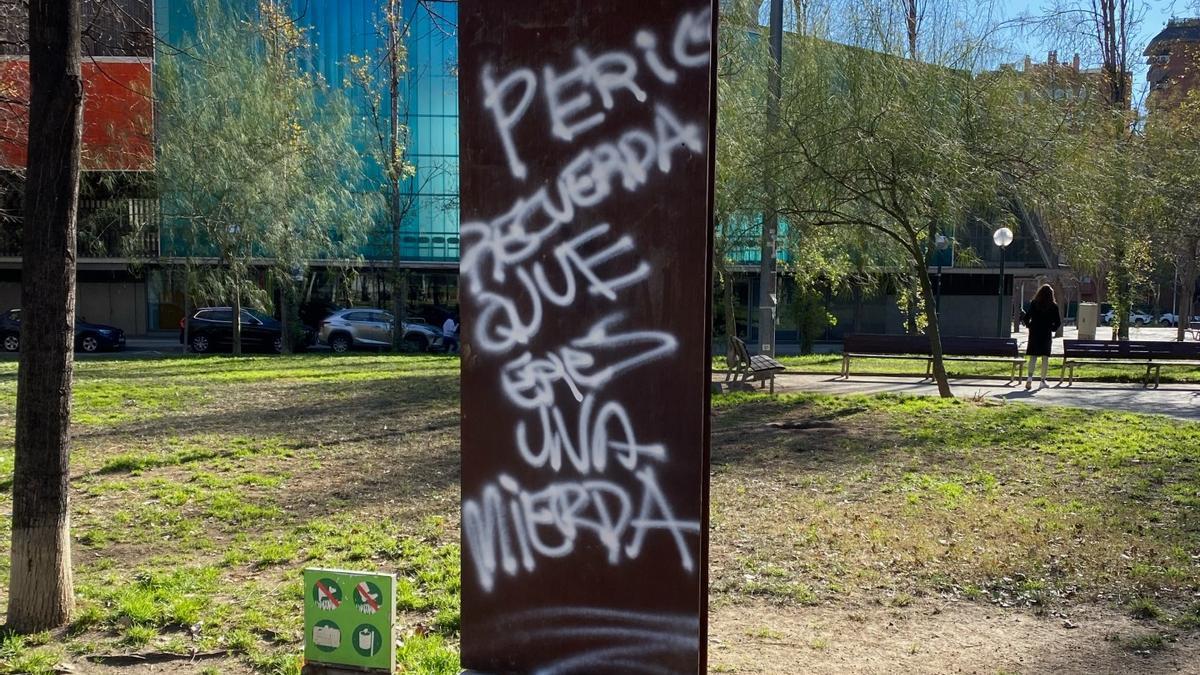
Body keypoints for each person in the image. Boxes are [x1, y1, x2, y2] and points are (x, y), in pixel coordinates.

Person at [1021, 284, 1061, 390]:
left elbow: (1026, 318)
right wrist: (1052, 328)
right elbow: (1058, 322)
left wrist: (1030, 326)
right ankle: (1042, 380)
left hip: (1034, 333)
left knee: (1033, 357)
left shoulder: (1034, 304)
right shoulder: (1053, 306)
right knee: (1045, 358)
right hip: (1046, 334)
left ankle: (1029, 378)